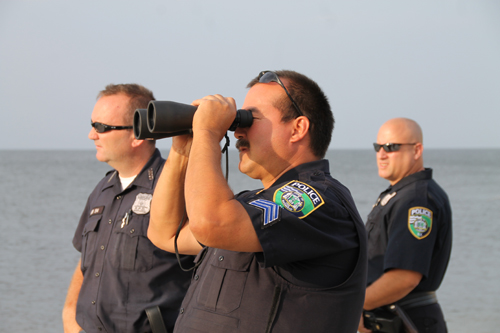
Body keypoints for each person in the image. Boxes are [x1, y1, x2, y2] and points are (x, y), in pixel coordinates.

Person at [147, 70, 367, 332]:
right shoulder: (250, 207)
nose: (238, 130)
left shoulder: (319, 202)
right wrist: (182, 152)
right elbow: (164, 233)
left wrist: (207, 132)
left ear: (297, 129)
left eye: (250, 118)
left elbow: (210, 223)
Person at [62, 84, 193, 333]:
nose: (92, 135)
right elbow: (85, 264)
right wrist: (70, 319)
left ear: (138, 134)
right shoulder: (103, 188)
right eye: (92, 125)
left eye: (102, 127)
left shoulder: (176, 188)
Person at [358, 118, 452, 333]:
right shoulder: (400, 194)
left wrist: (357, 305)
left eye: (391, 147)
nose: (381, 154)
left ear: (417, 150)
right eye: (378, 147)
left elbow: (405, 277)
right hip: (390, 317)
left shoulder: (416, 201)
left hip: (407, 320)